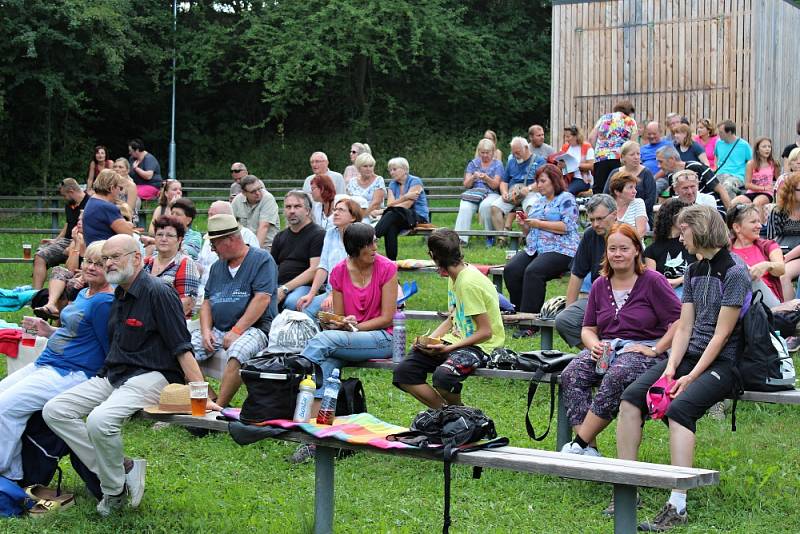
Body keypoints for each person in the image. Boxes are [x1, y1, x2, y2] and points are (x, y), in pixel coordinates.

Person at [43, 234, 219, 516]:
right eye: (105, 259)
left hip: (154, 375)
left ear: (137, 258)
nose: (109, 263)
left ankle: (114, 492)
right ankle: (122, 467)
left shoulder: (159, 292)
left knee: (100, 420)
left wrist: (201, 395)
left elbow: (182, 349)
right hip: (116, 374)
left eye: (115, 257)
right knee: (55, 410)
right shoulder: (119, 293)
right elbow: (117, 345)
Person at [615, 204, 751, 531]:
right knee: (631, 399)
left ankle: (678, 504)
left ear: (699, 229)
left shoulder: (734, 271)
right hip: (688, 356)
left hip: (724, 363)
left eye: (683, 230)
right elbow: (685, 326)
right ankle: (626, 489)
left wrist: (690, 376)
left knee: (680, 410)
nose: (679, 237)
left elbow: (721, 336)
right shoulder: (693, 270)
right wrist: (671, 367)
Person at [559, 223, 681, 461]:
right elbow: (587, 328)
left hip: (643, 349)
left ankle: (578, 444)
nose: (617, 254)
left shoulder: (653, 280)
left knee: (617, 375)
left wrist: (656, 349)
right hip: (608, 348)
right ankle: (590, 450)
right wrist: (593, 343)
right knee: (571, 374)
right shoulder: (599, 284)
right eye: (612, 249)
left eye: (623, 248)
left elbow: (679, 322)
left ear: (636, 250)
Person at [0, 241, 113, 484]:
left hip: (72, 373)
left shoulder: (105, 302)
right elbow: (78, 333)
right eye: (89, 261)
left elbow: (109, 348)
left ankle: (9, 476)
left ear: (112, 268)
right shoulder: (85, 293)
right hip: (49, 363)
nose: (91, 267)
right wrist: (48, 330)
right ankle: (15, 470)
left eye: (100, 264)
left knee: (4, 408)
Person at [293, 223, 397, 463]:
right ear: (355, 247)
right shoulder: (339, 271)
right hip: (346, 338)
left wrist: (356, 326)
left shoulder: (387, 268)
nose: (375, 247)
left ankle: (295, 370)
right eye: (369, 243)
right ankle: (314, 438)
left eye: (375, 242)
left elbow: (387, 318)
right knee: (325, 365)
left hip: (382, 337)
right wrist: (341, 322)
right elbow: (338, 318)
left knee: (323, 342)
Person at [394, 228, 505, 408]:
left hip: (481, 346)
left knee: (444, 376)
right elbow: (454, 318)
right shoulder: (454, 275)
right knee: (404, 372)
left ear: (433, 256)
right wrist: (430, 341)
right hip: (456, 341)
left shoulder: (468, 283)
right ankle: (450, 415)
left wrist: (448, 349)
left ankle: (462, 417)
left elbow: (485, 332)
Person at [192, 214, 278, 407]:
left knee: (238, 352)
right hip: (218, 328)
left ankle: (219, 410)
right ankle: (209, 400)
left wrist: (237, 331)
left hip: (254, 328)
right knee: (183, 351)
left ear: (230, 240)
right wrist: (206, 331)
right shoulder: (217, 267)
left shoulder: (262, 259)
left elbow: (262, 299)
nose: (212, 250)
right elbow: (207, 302)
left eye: (214, 245)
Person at [504, 164, 579, 336]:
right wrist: (524, 225)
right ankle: (519, 315)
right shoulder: (539, 201)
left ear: (554, 180)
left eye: (543, 181)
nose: (539, 185)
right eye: (538, 181)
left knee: (533, 271)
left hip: (563, 249)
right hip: (536, 248)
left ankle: (530, 324)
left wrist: (539, 223)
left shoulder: (566, 198)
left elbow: (567, 226)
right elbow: (531, 231)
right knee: (511, 270)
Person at [556, 194, 617, 347]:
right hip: (598, 299)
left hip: (626, 299)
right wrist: (569, 309)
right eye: (591, 220)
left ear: (614, 215)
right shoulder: (590, 235)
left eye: (600, 218)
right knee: (564, 320)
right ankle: (598, 354)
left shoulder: (627, 234)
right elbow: (577, 274)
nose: (595, 224)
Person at [296, 198, 362, 319]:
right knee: (306, 308)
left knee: (330, 312)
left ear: (352, 217)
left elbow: (355, 271)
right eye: (335, 209)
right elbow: (323, 266)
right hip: (330, 291)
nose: (335, 213)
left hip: (352, 292)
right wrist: (311, 294)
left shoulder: (360, 236)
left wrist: (333, 295)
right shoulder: (331, 233)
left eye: (341, 210)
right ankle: (314, 337)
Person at [196, 201, 261, 305]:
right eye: (208, 215)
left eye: (212, 215)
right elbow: (200, 262)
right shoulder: (211, 237)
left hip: (230, 294)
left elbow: (251, 268)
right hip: (202, 290)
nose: (209, 219)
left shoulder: (246, 237)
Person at [270, 191, 325, 311]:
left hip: (304, 286)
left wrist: (285, 288)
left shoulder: (318, 234)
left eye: (297, 206)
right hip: (279, 284)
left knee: (292, 302)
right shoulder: (280, 237)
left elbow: (314, 270)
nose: (292, 211)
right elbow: (271, 267)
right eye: (288, 207)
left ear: (308, 211)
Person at [33, 178, 88, 289]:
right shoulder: (70, 204)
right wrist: (56, 240)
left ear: (71, 191)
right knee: (39, 256)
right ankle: (35, 295)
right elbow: (68, 224)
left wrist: (75, 243)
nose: (64, 199)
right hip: (66, 240)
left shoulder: (90, 203)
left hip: (82, 241)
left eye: (64, 195)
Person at [727, 204, 784, 308]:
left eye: (759, 221)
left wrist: (766, 265)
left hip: (769, 306)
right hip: (738, 303)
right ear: (736, 227)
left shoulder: (768, 245)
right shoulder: (726, 251)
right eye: (753, 222)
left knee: (746, 275)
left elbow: (781, 268)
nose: (760, 226)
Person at [143, 216, 200, 318]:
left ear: (179, 239)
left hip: (172, 323)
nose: (163, 239)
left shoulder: (185, 263)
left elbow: (186, 304)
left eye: (169, 235)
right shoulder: (147, 263)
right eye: (159, 234)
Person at [373, 157, 429, 261]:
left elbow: (407, 205)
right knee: (391, 225)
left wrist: (382, 211)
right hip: (400, 217)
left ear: (404, 169)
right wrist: (405, 197)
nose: (391, 172)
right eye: (390, 170)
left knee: (392, 213)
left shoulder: (415, 181)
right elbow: (390, 204)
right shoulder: (392, 184)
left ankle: (371, 238)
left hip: (418, 217)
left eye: (394, 169)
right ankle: (392, 262)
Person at [491, 137, 540, 244]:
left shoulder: (539, 160)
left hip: (530, 193)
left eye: (517, 152)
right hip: (512, 194)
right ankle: (502, 237)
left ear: (526, 148)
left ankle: (529, 238)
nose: (515, 155)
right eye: (513, 153)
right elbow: (504, 181)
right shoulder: (512, 161)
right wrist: (504, 192)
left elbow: (542, 181)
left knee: (531, 207)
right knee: (495, 207)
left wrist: (529, 188)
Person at [454, 138, 504, 245]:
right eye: (482, 152)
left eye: (487, 153)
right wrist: (473, 177)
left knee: (486, 206)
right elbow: (466, 184)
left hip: (491, 193)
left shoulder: (498, 164)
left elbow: (496, 185)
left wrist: (486, 178)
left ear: (493, 152)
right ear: (479, 151)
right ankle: (461, 240)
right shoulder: (473, 163)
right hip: (474, 193)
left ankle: (489, 236)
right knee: (465, 207)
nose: (485, 155)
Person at [656, 145, 730, 215]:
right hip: (689, 213)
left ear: (672, 159)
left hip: (714, 211)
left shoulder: (697, 167)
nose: (658, 166)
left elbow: (721, 190)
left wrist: (730, 218)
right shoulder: (671, 176)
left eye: (660, 162)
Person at [644, 198, 694, 297]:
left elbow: (703, 268)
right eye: (683, 215)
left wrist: (678, 281)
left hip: (690, 289)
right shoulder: (652, 250)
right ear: (671, 216)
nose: (687, 219)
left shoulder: (692, 242)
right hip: (664, 292)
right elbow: (651, 280)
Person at [589, 100, 638, 194]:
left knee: (599, 189)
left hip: (601, 158)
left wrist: (600, 151)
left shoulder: (604, 118)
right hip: (619, 159)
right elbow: (632, 144)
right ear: (629, 111)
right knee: (617, 188)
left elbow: (591, 138)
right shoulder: (630, 121)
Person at [603, 141, 657, 226]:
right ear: (623, 157)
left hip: (640, 217)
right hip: (616, 215)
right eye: (632, 155)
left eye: (638, 154)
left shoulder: (646, 173)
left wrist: (633, 212)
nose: (636, 157)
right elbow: (606, 196)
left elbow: (651, 200)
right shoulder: (615, 173)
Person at [83, 170, 134, 245]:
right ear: (112, 188)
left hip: (93, 249)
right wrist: (129, 225)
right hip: (106, 252)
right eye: (120, 188)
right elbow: (128, 234)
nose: (120, 192)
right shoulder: (107, 207)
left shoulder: (91, 201)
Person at [731, 137, 779, 216]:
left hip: (767, 194)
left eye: (769, 146)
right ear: (757, 150)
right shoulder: (751, 164)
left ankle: (762, 227)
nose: (767, 149)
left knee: (757, 203)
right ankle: (732, 226)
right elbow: (747, 185)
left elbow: (778, 180)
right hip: (752, 192)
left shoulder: (774, 164)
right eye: (764, 147)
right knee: (733, 203)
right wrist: (763, 188)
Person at [231, 175, 280, 250]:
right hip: (243, 246)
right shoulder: (238, 200)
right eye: (253, 191)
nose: (258, 193)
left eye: (259, 189)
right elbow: (230, 223)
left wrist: (254, 254)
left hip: (266, 246)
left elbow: (264, 227)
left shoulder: (268, 198)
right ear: (244, 193)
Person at [714, 120, 753, 198]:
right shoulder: (718, 143)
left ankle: (730, 209)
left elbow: (751, 162)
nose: (719, 134)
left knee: (727, 186)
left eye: (721, 132)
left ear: (729, 132)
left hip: (737, 175)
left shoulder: (744, 145)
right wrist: (715, 168)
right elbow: (717, 157)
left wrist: (748, 178)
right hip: (720, 174)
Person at [346, 152, 385, 222]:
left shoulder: (378, 180)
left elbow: (376, 204)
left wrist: (360, 216)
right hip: (354, 215)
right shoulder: (352, 182)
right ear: (358, 168)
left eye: (371, 166)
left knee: (361, 224)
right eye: (365, 166)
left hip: (372, 216)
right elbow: (349, 202)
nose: (368, 169)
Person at [608, 171, 648, 239]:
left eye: (634, 187)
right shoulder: (608, 206)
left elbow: (641, 232)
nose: (635, 191)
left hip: (634, 247)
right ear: (617, 192)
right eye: (630, 187)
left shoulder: (638, 203)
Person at [560, 125, 595, 196]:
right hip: (566, 178)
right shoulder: (564, 147)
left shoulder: (586, 147)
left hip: (581, 179)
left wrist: (573, 165)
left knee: (567, 193)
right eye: (565, 136)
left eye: (568, 136)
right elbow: (559, 165)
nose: (566, 139)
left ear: (576, 136)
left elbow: (592, 166)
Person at [111, 158, 139, 226]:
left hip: (127, 218)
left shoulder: (131, 185)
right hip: (111, 214)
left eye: (120, 167)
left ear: (127, 170)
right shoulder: (110, 183)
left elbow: (129, 209)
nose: (117, 169)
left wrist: (116, 200)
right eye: (115, 167)